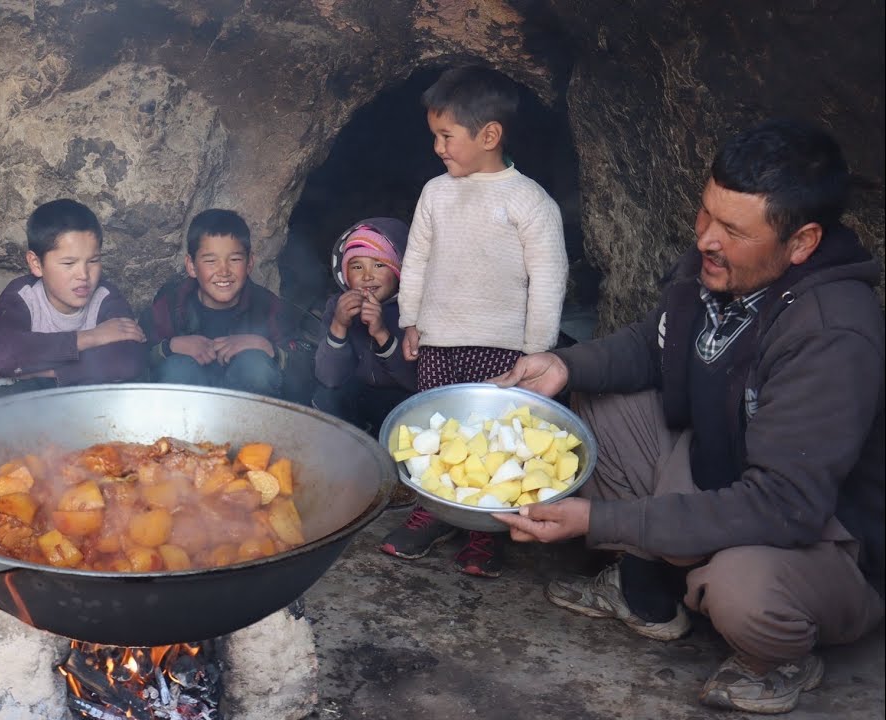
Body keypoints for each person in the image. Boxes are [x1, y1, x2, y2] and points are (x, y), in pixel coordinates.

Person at [491, 119, 884, 715]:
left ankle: (778, 656)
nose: (705, 238)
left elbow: (783, 504)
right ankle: (648, 594)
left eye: (731, 229)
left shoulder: (831, 334)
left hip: (820, 536)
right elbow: (655, 346)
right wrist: (562, 367)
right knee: (585, 410)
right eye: (705, 214)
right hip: (723, 463)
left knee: (742, 591)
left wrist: (599, 520)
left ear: (801, 242)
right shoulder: (723, 265)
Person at [380, 66, 568, 578]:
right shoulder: (436, 193)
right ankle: (433, 511)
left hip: (502, 347)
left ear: (489, 135)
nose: (438, 147)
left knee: (490, 439)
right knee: (438, 433)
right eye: (434, 136)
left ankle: (485, 529)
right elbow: (415, 259)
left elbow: (549, 278)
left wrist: (537, 349)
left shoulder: (527, 200)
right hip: (439, 341)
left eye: (447, 136)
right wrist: (411, 319)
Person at [0, 199, 146, 392]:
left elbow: (127, 363)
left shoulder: (105, 297)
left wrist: (35, 371)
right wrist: (90, 337)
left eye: (93, 261)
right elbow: (2, 356)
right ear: (36, 264)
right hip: (29, 412)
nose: (83, 275)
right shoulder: (24, 296)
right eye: (69, 264)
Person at [140, 209, 303, 398]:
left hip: (250, 420)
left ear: (249, 263)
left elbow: (305, 372)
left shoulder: (268, 307)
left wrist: (267, 348)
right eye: (211, 261)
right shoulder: (171, 306)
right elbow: (136, 363)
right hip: (186, 418)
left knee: (255, 366)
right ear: (192, 266)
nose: (224, 271)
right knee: (178, 368)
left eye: (234, 259)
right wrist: (169, 347)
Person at [312, 218, 417, 471]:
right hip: (357, 395)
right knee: (325, 397)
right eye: (356, 266)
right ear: (344, 274)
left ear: (399, 269)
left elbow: (414, 381)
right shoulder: (336, 307)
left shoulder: (411, 312)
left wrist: (382, 333)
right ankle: (339, 465)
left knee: (403, 427)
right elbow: (328, 377)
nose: (367, 276)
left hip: (397, 400)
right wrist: (339, 325)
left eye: (379, 264)